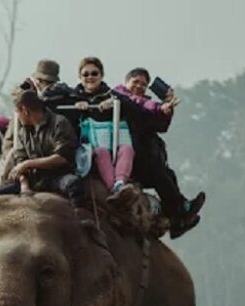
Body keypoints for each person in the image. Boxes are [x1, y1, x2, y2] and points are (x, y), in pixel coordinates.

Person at [114, 67, 205, 238]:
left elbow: (160, 126)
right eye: (136, 82)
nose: (140, 86)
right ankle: (182, 209)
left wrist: (167, 110)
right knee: (159, 174)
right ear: (126, 82)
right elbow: (139, 104)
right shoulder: (119, 97)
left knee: (167, 175)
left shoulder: (144, 106)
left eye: (144, 84)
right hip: (127, 158)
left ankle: (177, 219)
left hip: (145, 156)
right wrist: (158, 107)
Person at [0, 90, 82, 200]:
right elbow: (20, 160)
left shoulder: (59, 123)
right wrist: (24, 185)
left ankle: (78, 213)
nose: (18, 117)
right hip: (33, 180)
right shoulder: (23, 132)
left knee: (73, 184)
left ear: (25, 111)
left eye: (17, 112)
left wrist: (28, 164)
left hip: (57, 177)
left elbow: (62, 158)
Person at [72, 57, 136, 194]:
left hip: (114, 145)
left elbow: (132, 106)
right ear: (79, 77)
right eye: (86, 74)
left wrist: (113, 102)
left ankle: (120, 182)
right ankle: (113, 188)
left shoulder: (111, 94)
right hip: (89, 150)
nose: (90, 77)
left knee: (127, 150)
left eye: (94, 73)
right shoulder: (73, 96)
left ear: (102, 75)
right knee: (101, 153)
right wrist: (76, 109)